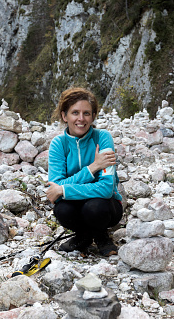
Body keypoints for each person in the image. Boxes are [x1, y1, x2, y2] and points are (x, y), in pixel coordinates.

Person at [46, 87, 123, 256]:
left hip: (106, 206)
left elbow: (106, 188)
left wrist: (64, 189)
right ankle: (84, 235)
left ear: (93, 116)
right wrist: (93, 167)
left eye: (86, 113)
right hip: (76, 206)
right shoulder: (58, 144)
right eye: (75, 113)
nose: (81, 119)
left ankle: (101, 235)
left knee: (94, 207)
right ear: (64, 116)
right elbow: (54, 190)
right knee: (62, 209)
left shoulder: (102, 138)